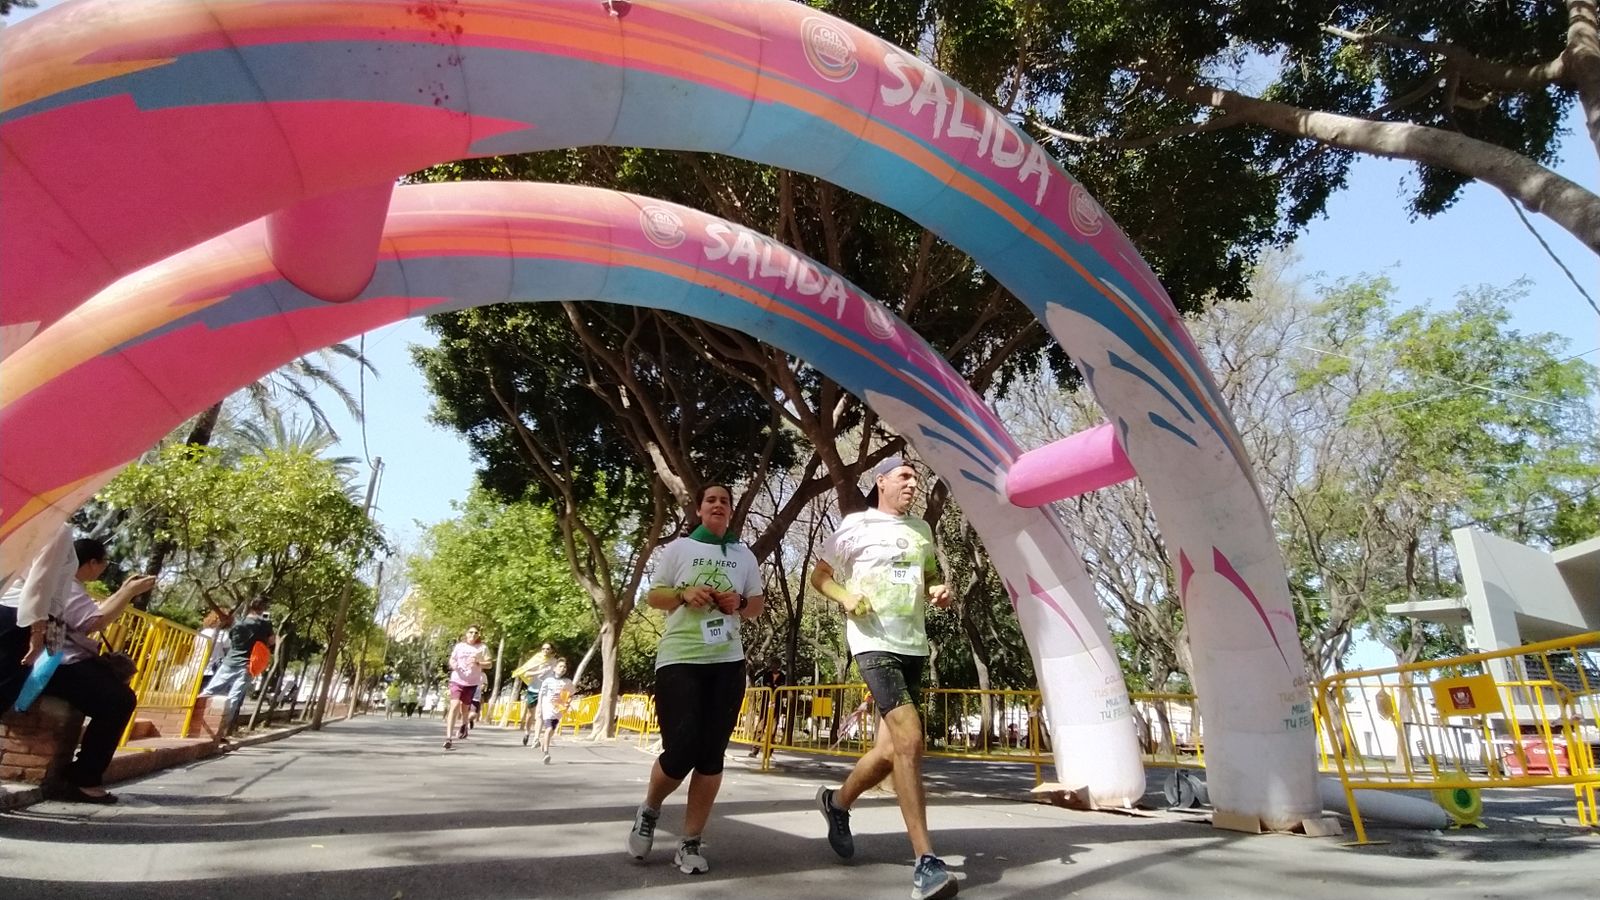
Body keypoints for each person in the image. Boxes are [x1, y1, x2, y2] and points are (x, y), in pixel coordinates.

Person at [809, 457, 957, 900]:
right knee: (911, 739)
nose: (913, 484)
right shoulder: (855, 526)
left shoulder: (922, 532)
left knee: (890, 750)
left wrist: (939, 590)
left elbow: (930, 576)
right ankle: (925, 862)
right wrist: (845, 595)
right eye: (905, 477)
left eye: (917, 477)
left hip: (913, 644)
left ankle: (837, 803)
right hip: (873, 643)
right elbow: (821, 576)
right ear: (882, 482)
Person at [626, 483, 765, 875]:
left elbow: (755, 604)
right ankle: (650, 808)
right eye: (711, 500)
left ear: (731, 511)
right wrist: (685, 593)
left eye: (724, 501)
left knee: (711, 755)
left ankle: (689, 843)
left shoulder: (743, 554)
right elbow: (654, 597)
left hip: (727, 661)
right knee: (682, 747)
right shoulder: (679, 549)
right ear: (700, 511)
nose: (718, 505)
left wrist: (735, 602)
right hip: (680, 658)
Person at [1, 534, 157, 803]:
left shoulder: (68, 581)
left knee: (116, 696)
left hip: (55, 657)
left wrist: (124, 592)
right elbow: (91, 622)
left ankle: (84, 774)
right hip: (54, 662)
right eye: (103, 562)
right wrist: (128, 592)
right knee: (118, 700)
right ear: (90, 563)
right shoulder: (61, 558)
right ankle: (83, 778)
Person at [200, 596, 276, 741]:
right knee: (233, 699)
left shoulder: (238, 623)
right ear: (264, 609)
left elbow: (231, 638)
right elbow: (271, 641)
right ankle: (219, 732)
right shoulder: (265, 624)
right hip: (247, 665)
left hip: (229, 662)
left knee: (209, 691)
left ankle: (193, 718)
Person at [443, 625, 491, 750]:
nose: (473, 635)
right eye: (471, 632)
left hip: (472, 682)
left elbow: (489, 664)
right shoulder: (459, 646)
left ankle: (464, 724)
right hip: (457, 680)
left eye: (476, 633)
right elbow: (452, 660)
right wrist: (454, 665)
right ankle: (448, 737)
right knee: (454, 705)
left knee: (465, 708)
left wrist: (479, 663)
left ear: (479, 635)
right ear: (466, 633)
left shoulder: (482, 648)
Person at [513, 642, 556, 746]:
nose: (545, 651)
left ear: (552, 650)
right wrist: (538, 672)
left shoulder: (554, 662)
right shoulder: (536, 660)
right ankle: (527, 732)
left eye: (548, 649)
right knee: (530, 714)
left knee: (540, 714)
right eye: (543, 649)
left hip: (546, 691)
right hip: (533, 689)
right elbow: (526, 673)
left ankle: (536, 738)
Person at [535, 658, 574, 764]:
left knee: (552, 730)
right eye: (560, 666)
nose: (563, 669)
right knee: (549, 728)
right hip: (548, 707)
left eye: (564, 667)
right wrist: (539, 706)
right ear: (555, 668)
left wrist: (567, 703)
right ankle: (546, 753)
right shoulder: (548, 681)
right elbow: (541, 694)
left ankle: (544, 742)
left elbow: (571, 695)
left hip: (559, 709)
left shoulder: (568, 682)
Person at [748, 660, 787, 756]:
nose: (774, 667)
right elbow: (766, 685)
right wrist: (774, 687)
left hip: (776, 704)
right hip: (766, 703)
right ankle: (755, 748)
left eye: (776, 665)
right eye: (773, 665)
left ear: (779, 666)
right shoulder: (766, 675)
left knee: (773, 729)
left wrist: (775, 687)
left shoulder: (782, 676)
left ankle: (768, 751)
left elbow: (781, 688)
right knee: (761, 726)